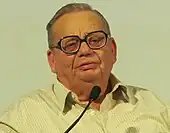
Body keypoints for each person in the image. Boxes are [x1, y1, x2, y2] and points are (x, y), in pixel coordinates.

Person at [0, 2, 170, 133]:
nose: (85, 50)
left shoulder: (154, 106)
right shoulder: (20, 120)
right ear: (52, 61)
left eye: (95, 40)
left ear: (113, 50)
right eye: (71, 44)